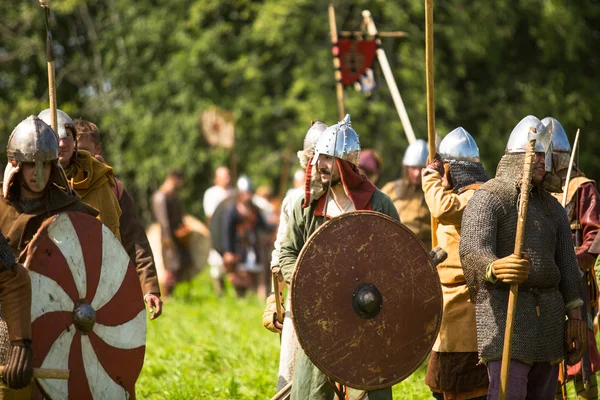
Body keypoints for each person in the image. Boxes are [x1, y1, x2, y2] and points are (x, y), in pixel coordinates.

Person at [459, 115, 585, 399]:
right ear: (517, 157)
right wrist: (496, 267)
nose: (542, 160)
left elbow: (567, 265)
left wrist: (575, 317)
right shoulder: (490, 197)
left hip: (549, 319)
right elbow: (471, 251)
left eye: (544, 154)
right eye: (535, 154)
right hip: (508, 315)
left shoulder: (552, 208)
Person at [279, 114, 399, 400]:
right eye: (318, 156)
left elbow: (396, 261)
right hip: (321, 319)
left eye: (328, 158)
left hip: (368, 315)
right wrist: (308, 280)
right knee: (311, 393)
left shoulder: (377, 204)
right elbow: (287, 252)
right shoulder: (307, 205)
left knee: (371, 391)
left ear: (345, 164)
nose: (319, 164)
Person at [0, 116, 98, 398]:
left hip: (59, 320)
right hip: (7, 317)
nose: (38, 173)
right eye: (31, 163)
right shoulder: (1, 205)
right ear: (17, 165)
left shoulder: (70, 207)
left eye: (45, 163)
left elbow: (92, 258)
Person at [422, 127, 489, 399]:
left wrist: (430, 176)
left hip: (468, 303)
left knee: (466, 385)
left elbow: (442, 208)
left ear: (452, 169)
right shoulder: (462, 195)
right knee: (441, 382)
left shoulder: (478, 196)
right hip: (448, 304)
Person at [262, 120, 328, 391]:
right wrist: (276, 301)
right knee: (292, 376)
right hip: (300, 291)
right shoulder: (294, 200)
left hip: (346, 295)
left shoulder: (353, 199)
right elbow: (281, 256)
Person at [74, 119, 163, 319]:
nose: (78, 157)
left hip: (107, 281)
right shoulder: (58, 184)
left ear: (97, 149)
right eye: (74, 151)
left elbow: (135, 240)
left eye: (84, 150)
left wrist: (149, 288)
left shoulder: (114, 187)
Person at [543, 117, 600, 399]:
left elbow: (595, 236)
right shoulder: (538, 190)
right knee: (545, 352)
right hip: (545, 284)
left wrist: (572, 263)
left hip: (576, 281)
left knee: (582, 353)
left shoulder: (582, 187)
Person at [38, 109, 122, 241]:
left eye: (67, 136)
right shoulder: (30, 182)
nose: (62, 143)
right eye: (56, 136)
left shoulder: (98, 176)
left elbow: (113, 233)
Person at [381, 139, 431, 248]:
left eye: (421, 168)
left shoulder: (433, 194)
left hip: (421, 250)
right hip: (392, 246)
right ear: (406, 167)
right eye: (413, 168)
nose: (417, 173)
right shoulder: (391, 189)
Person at [151, 169, 191, 296]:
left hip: (177, 237)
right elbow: (164, 222)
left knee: (179, 267)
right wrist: (169, 241)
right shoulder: (161, 197)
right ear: (174, 179)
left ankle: (170, 297)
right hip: (169, 239)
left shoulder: (173, 196)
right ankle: (165, 298)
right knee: (171, 269)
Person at [203, 166, 234, 296]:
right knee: (217, 264)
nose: (227, 179)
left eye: (228, 175)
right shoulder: (211, 193)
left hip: (232, 234)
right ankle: (219, 291)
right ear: (217, 178)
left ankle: (235, 292)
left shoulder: (233, 192)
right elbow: (211, 215)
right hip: (217, 232)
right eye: (224, 176)